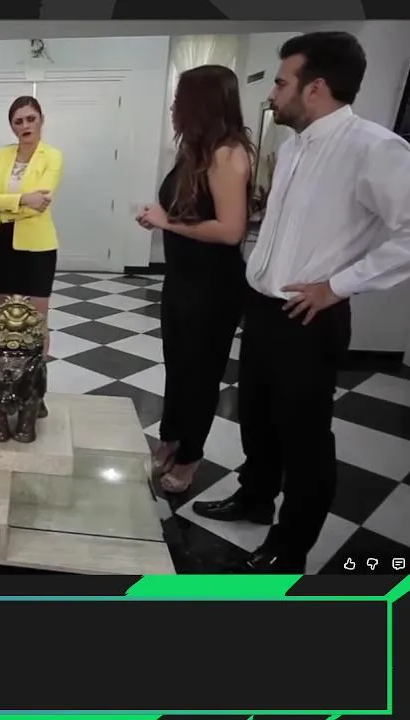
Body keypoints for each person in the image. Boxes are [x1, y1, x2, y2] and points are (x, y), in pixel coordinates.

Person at [190, 32, 410, 572]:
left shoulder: (372, 148)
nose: (273, 93)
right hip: (264, 308)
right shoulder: (295, 147)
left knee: (304, 437)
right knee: (256, 418)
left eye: (281, 82)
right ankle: (254, 497)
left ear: (314, 88)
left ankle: (291, 544)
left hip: (308, 318)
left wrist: (340, 284)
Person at [137, 65, 253, 493]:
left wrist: (168, 222)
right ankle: (171, 438)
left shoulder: (228, 154)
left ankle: (190, 456)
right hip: (183, 279)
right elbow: (188, 211)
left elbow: (230, 230)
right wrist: (161, 218)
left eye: (179, 100)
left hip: (213, 287)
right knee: (178, 367)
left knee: (200, 375)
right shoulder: (195, 152)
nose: (173, 108)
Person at [0, 96, 63, 395]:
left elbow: (41, 203)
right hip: (2, 242)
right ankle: (7, 388)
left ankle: (35, 391)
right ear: (12, 126)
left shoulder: (52, 156)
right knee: (6, 320)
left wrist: (6, 205)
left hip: (38, 246)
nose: (25, 125)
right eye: (18, 121)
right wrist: (23, 199)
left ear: (41, 120)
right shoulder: (1, 155)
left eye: (31, 119)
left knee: (37, 321)